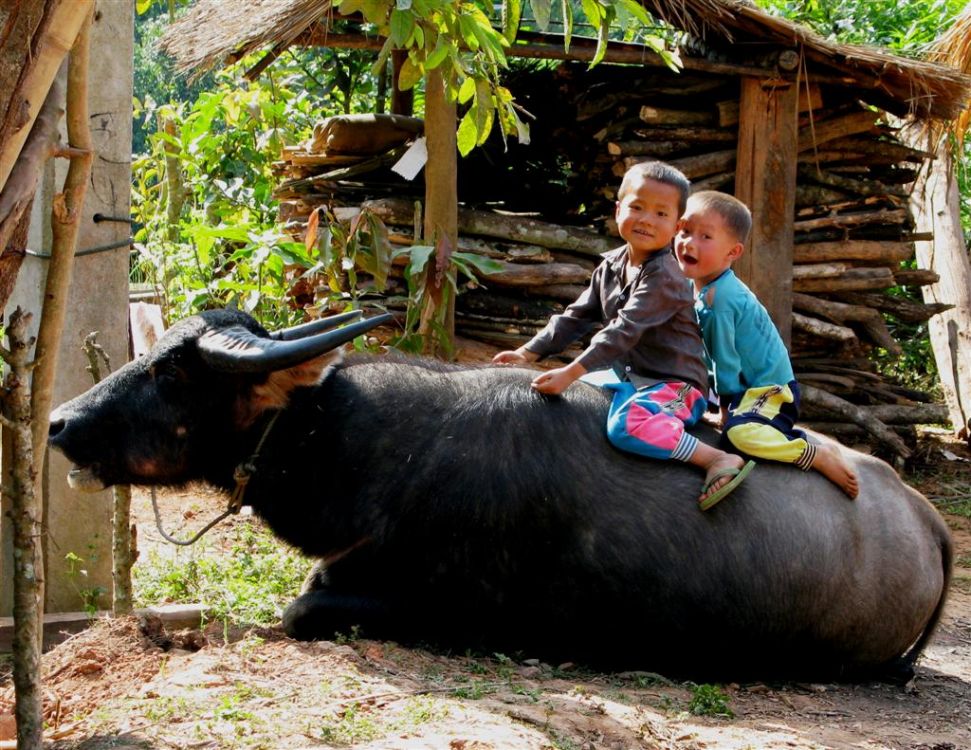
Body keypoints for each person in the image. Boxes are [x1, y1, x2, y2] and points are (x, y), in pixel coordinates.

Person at [493, 162, 754, 510]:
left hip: (672, 382)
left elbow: (623, 330)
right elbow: (578, 315)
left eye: (660, 213)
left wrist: (571, 372)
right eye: (636, 207)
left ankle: (713, 459)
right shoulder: (612, 263)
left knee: (628, 426)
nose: (646, 219)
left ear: (677, 227)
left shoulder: (666, 274)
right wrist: (528, 352)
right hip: (627, 374)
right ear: (618, 210)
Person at [674, 190, 859, 499]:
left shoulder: (719, 301)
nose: (689, 242)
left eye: (705, 236)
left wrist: (723, 411)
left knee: (740, 434)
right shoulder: (700, 288)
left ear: (732, 253)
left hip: (767, 389)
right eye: (684, 231)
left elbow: (725, 362)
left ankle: (814, 453)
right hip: (735, 385)